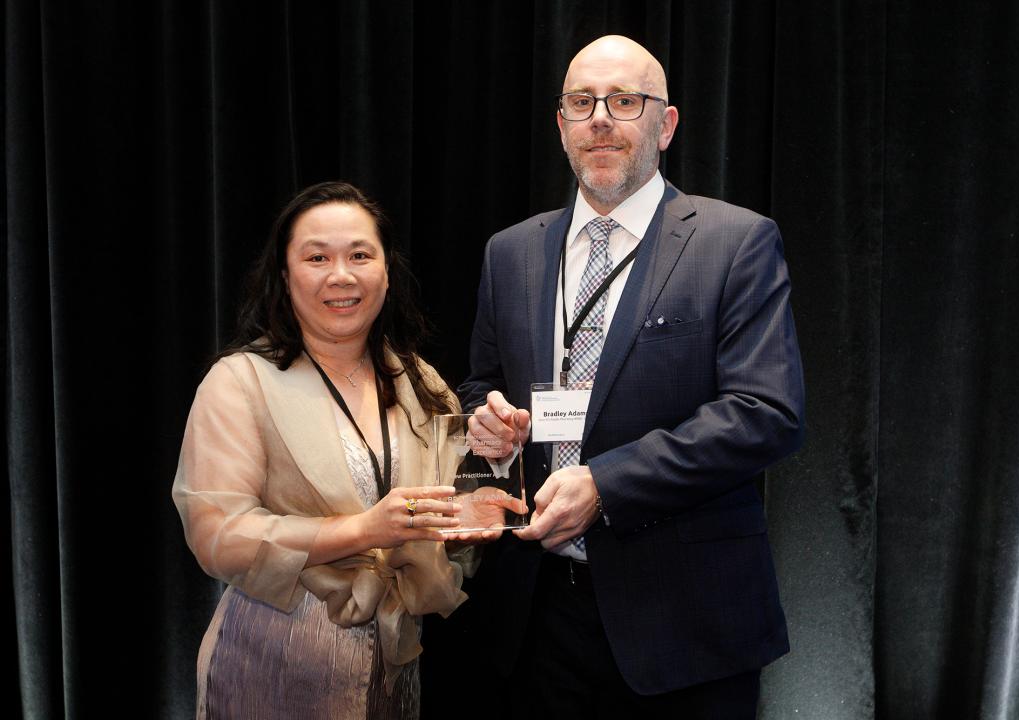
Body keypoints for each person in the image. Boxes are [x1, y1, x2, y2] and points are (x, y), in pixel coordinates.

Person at [459, 35, 806, 718]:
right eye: (581, 102)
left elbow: (766, 411)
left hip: (685, 625)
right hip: (538, 620)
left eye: (624, 101)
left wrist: (605, 485)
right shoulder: (511, 252)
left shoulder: (735, 241)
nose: (600, 119)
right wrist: (488, 425)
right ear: (561, 125)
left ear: (665, 125)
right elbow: (483, 384)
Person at [173, 181, 509, 719]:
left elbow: (447, 514)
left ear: (386, 271)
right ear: (285, 275)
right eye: (317, 258)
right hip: (272, 667)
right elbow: (217, 535)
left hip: (395, 670)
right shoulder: (239, 382)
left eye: (359, 255)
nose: (341, 275)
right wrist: (362, 530)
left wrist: (476, 506)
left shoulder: (420, 383)